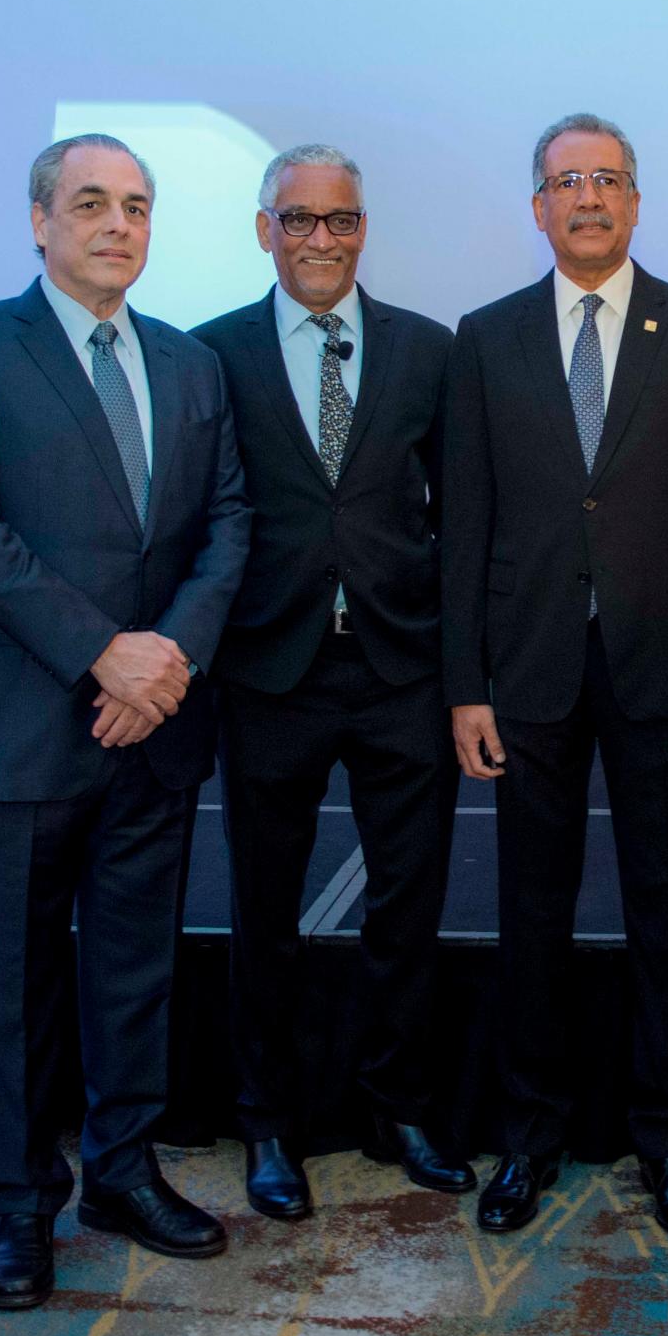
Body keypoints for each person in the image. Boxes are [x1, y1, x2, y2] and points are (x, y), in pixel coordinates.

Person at [0, 134, 251, 1310]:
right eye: (91, 203)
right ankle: (15, 1202)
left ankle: (122, 1169)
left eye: (137, 206)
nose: (117, 224)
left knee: (132, 964)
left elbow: (229, 526)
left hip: (151, 726)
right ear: (39, 221)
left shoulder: (189, 363)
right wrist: (103, 651)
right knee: (5, 980)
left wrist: (167, 661)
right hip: (14, 721)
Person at [441, 112, 668, 1239]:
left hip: (663, 678)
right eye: (565, 180)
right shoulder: (484, 338)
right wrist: (463, 685)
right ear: (537, 206)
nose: (587, 197)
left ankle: (666, 1143)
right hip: (522, 676)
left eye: (607, 180)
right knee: (530, 914)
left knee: (663, 912)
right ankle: (528, 1138)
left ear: (635, 202)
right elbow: (464, 522)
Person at [191, 143, 470, 1219]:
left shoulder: (427, 351)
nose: (320, 239)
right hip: (270, 671)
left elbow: (458, 515)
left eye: (340, 220)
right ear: (265, 229)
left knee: (407, 906)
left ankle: (396, 1104)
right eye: (299, 220)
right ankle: (270, 1120)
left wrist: (455, 665)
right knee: (264, 910)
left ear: (363, 230)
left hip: (400, 666)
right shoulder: (208, 355)